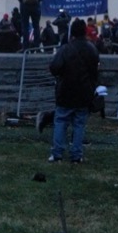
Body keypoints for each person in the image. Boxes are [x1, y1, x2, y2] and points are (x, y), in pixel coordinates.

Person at [48, 19, 100, 163]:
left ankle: (57, 153)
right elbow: (96, 72)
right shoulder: (92, 49)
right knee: (79, 124)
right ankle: (76, 155)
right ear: (84, 31)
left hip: (65, 91)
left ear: (72, 33)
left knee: (60, 122)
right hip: (84, 93)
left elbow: (54, 67)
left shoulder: (65, 49)